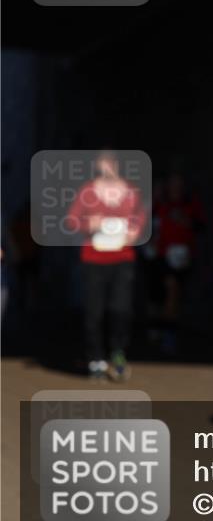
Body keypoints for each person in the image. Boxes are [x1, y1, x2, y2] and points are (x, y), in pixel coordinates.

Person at [65, 150, 147, 381]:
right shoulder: (88, 192)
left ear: (118, 165)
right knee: (94, 311)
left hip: (122, 257)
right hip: (94, 258)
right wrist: (88, 223)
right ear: (97, 166)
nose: (107, 167)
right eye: (103, 163)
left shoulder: (130, 192)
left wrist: (135, 231)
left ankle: (118, 353)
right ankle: (96, 358)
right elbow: (72, 220)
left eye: (111, 163)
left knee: (121, 309)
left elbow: (140, 217)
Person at [151, 171, 205, 355]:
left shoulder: (190, 204)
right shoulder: (161, 204)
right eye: (173, 184)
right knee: (166, 291)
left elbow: (201, 226)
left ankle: (168, 330)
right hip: (162, 255)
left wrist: (186, 221)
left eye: (179, 185)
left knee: (174, 295)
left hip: (183, 257)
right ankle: (164, 330)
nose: (176, 188)